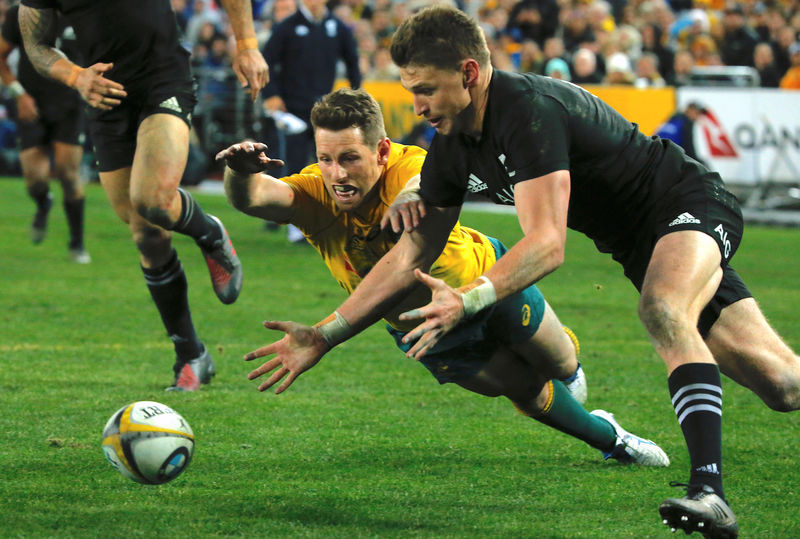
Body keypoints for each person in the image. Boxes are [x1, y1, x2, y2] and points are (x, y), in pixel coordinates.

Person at [242, 6, 800, 539]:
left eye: (426, 90)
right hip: (636, 246)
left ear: (468, 73)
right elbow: (406, 257)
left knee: (662, 307)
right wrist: (325, 334)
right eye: (412, 91)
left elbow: (547, 245)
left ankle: (709, 489)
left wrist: (467, 299)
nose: (417, 106)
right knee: (781, 385)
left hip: (685, 200)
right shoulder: (453, 148)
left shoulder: (525, 110)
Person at [217, 87, 670, 468]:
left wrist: (415, 195)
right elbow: (255, 198)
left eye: (350, 159)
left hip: (483, 283)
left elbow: (425, 178)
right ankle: (612, 440)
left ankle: (567, 371)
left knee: (561, 364)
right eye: (326, 159)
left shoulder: (408, 166)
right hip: (424, 328)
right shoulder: (316, 193)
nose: (337, 174)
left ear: (380, 150)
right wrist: (239, 172)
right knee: (521, 388)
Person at [19, 0, 269, 391]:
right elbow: (35, 45)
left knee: (152, 199)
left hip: (163, 78)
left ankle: (210, 234)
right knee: (147, 235)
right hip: (104, 96)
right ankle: (192, 354)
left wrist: (247, 43)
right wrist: (76, 77)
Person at [261, 0, 361, 243]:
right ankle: (296, 225)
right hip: (293, 109)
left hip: (324, 111)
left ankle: (330, 216)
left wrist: (356, 95)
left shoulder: (336, 27)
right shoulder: (287, 27)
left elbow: (352, 61)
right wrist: (271, 95)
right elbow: (266, 62)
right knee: (293, 163)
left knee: (328, 164)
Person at [0, 4, 89, 263]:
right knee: (35, 180)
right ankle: (43, 203)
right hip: (31, 104)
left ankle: (77, 243)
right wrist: (19, 94)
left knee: (67, 173)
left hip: (69, 105)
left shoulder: (86, 12)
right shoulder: (23, 12)